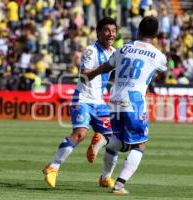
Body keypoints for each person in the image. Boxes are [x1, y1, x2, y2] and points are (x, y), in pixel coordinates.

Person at [85, 16, 167, 194]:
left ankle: (104, 146)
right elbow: (162, 71)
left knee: (121, 142)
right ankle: (119, 185)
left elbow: (107, 67)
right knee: (139, 145)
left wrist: (91, 74)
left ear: (138, 30)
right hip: (134, 102)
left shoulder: (123, 49)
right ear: (156, 34)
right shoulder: (158, 55)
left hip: (114, 99)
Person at [43, 17, 118, 189]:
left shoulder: (114, 52)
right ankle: (52, 167)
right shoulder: (91, 51)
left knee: (115, 140)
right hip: (83, 98)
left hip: (99, 103)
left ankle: (105, 178)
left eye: (113, 30)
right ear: (98, 32)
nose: (111, 34)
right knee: (80, 133)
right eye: (106, 30)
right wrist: (103, 68)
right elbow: (84, 76)